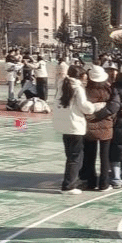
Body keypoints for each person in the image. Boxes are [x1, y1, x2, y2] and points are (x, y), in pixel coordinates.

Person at [51, 65, 99, 193]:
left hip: (64, 125)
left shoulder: (62, 85)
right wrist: (94, 107)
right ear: (81, 76)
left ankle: (71, 180)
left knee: (70, 155)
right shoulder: (78, 88)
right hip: (75, 125)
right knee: (75, 157)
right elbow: (84, 107)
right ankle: (68, 185)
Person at [81, 65, 118, 190]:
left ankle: (91, 182)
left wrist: (93, 113)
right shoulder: (109, 89)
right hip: (106, 125)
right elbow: (115, 105)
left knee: (89, 156)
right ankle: (104, 183)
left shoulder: (86, 90)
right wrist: (103, 112)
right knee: (105, 156)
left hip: (89, 125)